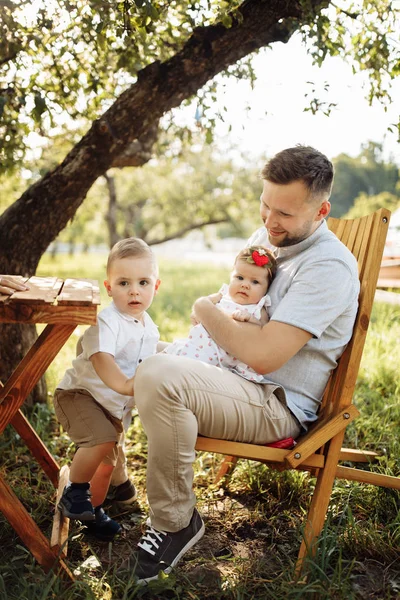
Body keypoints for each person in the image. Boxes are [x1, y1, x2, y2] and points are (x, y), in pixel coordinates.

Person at [126, 145, 360, 584]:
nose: (269, 222)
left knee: (157, 375)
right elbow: (228, 320)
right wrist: (221, 321)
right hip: (232, 377)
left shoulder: (329, 267)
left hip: (275, 404)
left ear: (321, 210)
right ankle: (108, 484)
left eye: (285, 214)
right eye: (265, 205)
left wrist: (202, 307)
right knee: (128, 353)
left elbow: (263, 353)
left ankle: (176, 524)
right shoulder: (264, 241)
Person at [53, 237, 161, 540]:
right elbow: (103, 360)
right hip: (79, 397)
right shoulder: (107, 322)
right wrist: (127, 385)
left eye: (143, 282)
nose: (134, 290)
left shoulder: (148, 327)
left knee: (105, 465)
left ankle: (93, 510)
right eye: (124, 282)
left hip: (111, 408)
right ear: (109, 287)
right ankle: (75, 494)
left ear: (156, 286)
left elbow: (149, 359)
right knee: (101, 440)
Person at [164, 245, 277, 382]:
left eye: (255, 282)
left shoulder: (258, 308)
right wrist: (198, 314)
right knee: (160, 360)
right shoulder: (222, 294)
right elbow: (203, 305)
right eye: (240, 278)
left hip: (216, 360)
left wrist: (251, 319)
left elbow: (263, 331)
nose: (245, 285)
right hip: (196, 344)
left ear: (267, 288)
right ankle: (132, 393)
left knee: (173, 373)